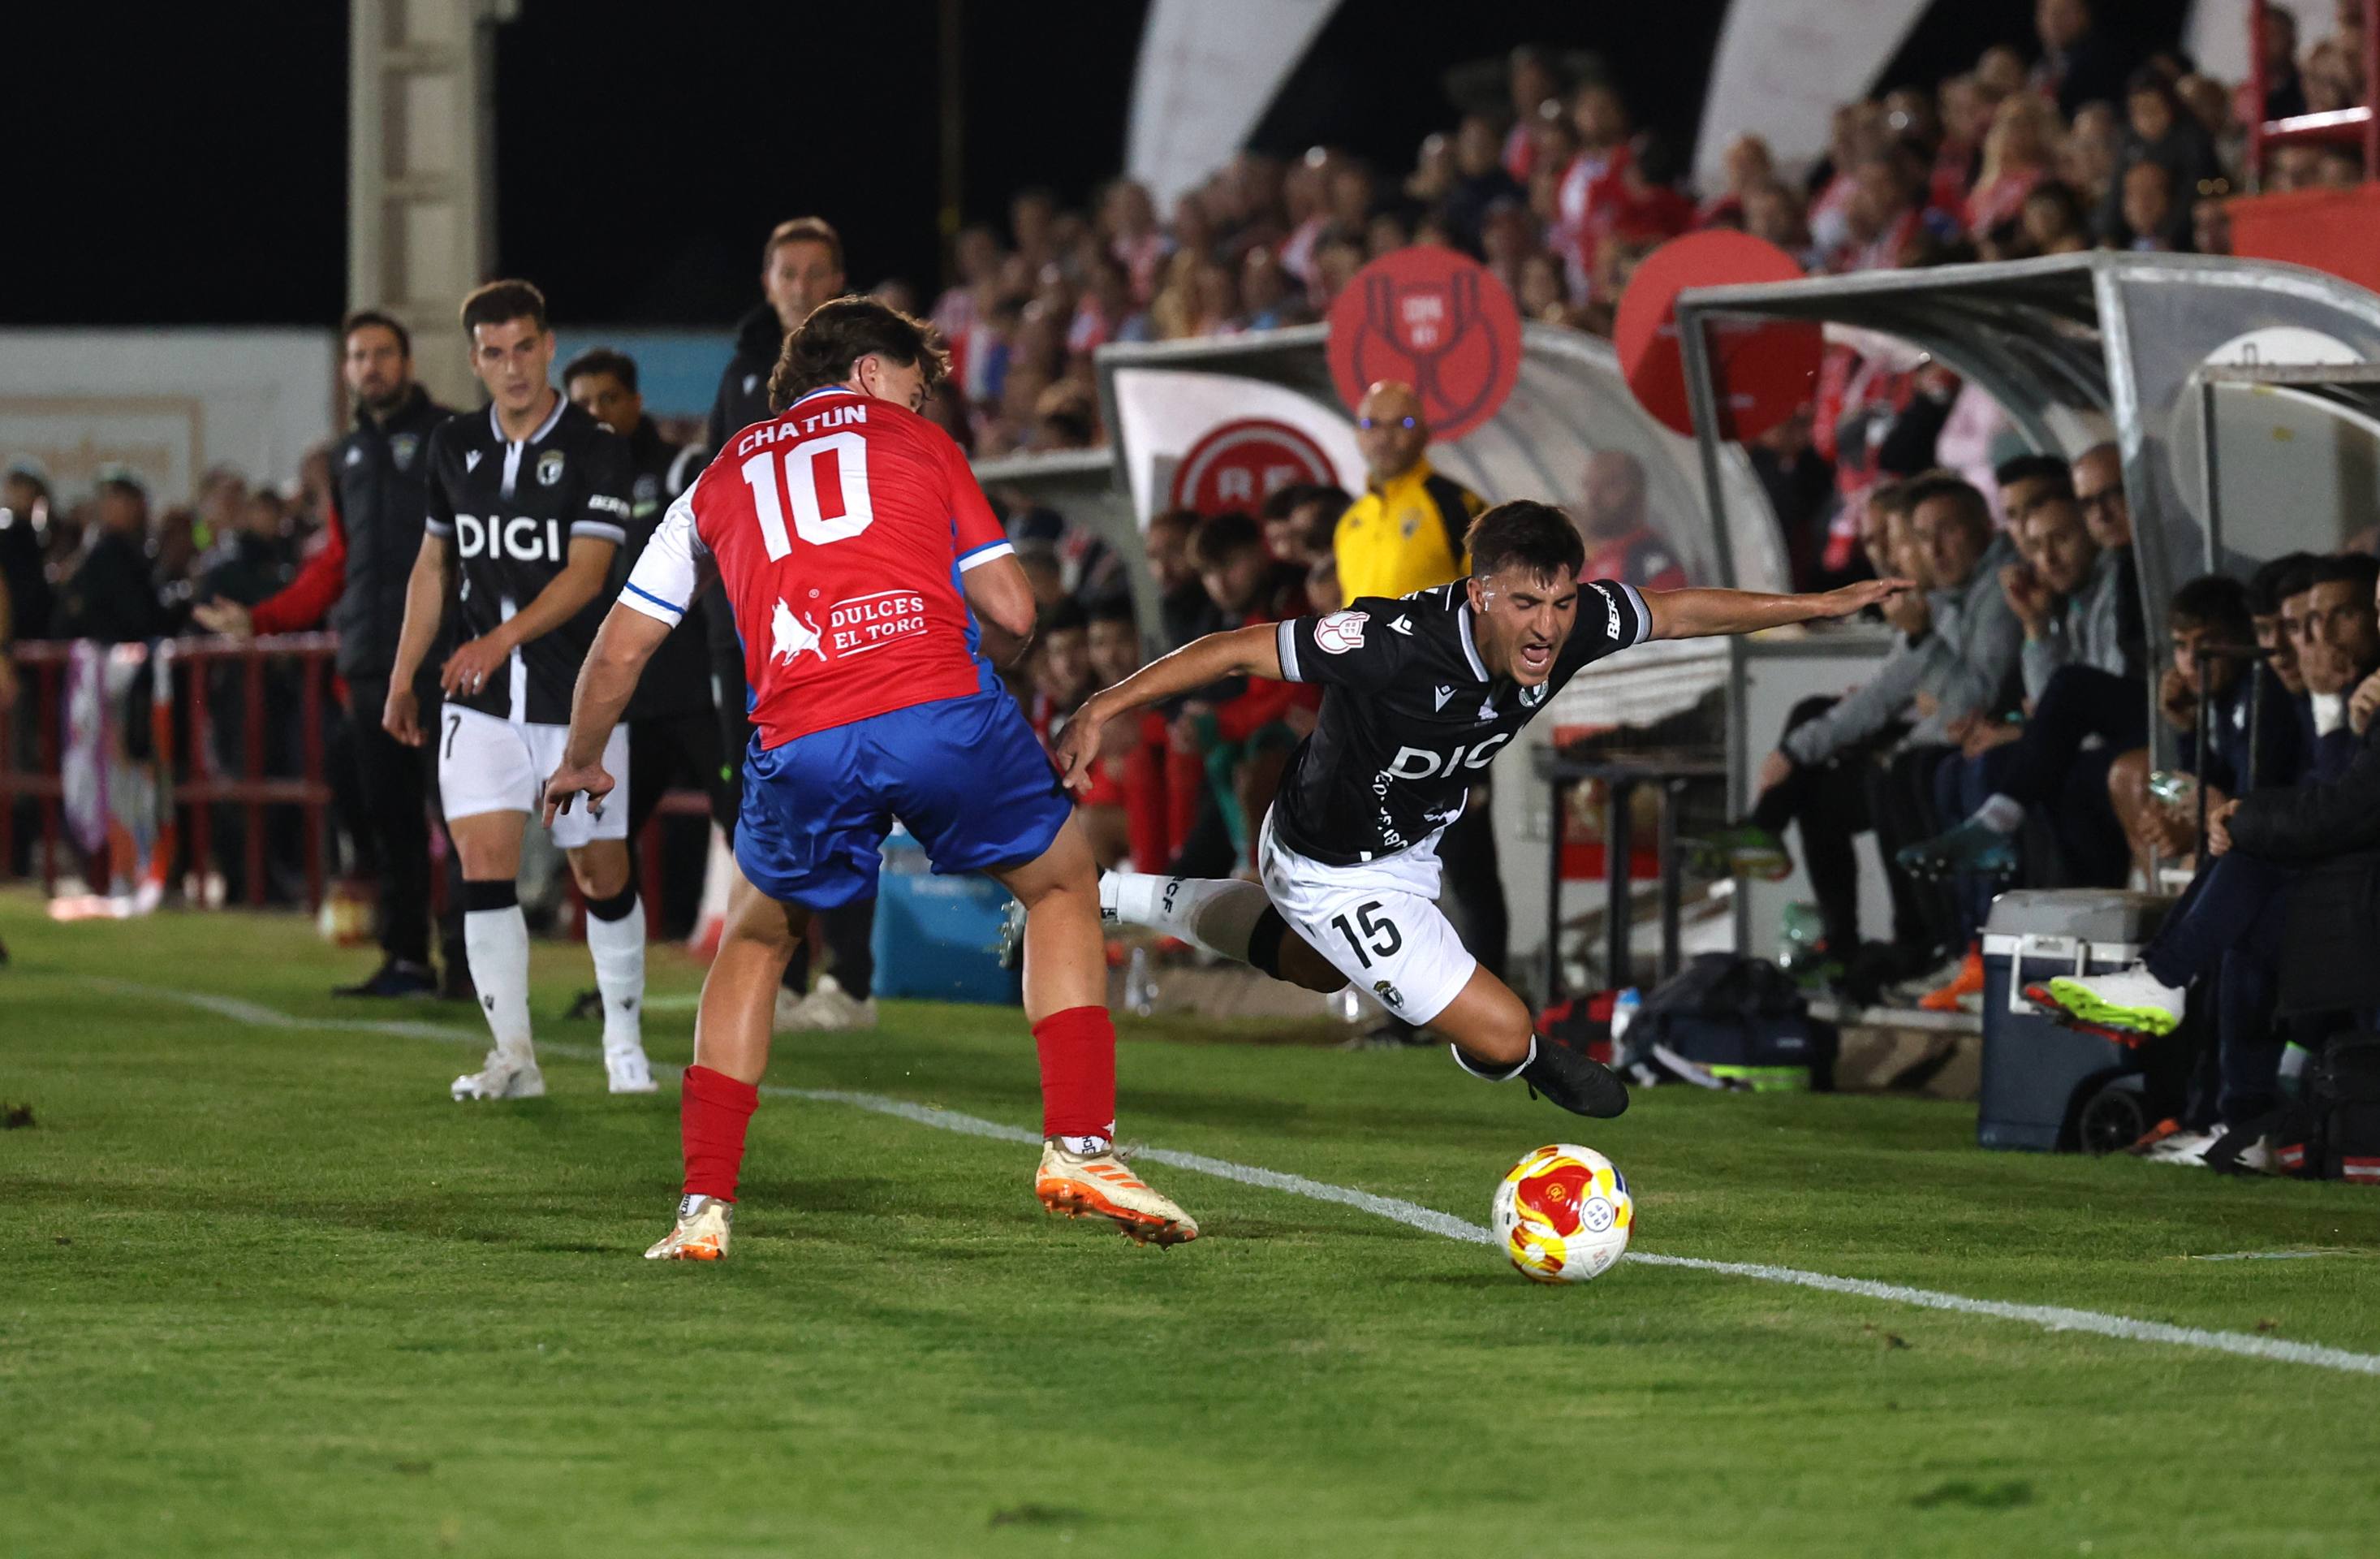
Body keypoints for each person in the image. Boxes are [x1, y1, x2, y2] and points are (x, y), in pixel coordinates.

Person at [545, 296, 1198, 1260]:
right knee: (1061, 882)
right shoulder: (915, 444)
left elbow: (618, 651)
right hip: (938, 708)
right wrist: (1000, 663)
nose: (921, 401)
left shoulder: (715, 476)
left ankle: (703, 1209)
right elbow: (1012, 608)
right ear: (863, 375)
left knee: (759, 940)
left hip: (802, 734)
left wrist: (581, 756)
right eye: (913, 382)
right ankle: (1079, 1146)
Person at [1054, 501, 1908, 1113]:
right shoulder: (1391, 644)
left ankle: (1117, 895)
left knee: (1314, 968)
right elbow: (1235, 649)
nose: (1547, 627)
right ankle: (1524, 1059)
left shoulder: (1577, 626)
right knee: (1503, 1038)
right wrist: (1102, 706)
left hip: (1408, 848)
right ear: (1478, 595)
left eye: (1563, 602)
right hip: (1328, 860)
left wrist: (1817, 605)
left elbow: (1681, 612)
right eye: (1526, 603)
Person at [383, 279, 654, 1101]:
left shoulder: (598, 446)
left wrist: (498, 638)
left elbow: (589, 574)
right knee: (483, 866)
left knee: (601, 871)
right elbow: (434, 564)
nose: (512, 367)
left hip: (579, 697)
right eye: (494, 353)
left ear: (548, 346)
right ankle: (515, 1057)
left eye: (525, 348)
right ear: (474, 361)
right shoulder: (451, 445)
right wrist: (404, 675)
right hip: (481, 704)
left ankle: (623, 1039)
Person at [195, 310, 467, 999]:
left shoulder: (451, 436)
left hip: (446, 659)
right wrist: (261, 619)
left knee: (465, 817)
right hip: (372, 663)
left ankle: (473, 967)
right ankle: (408, 959)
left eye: (382, 353)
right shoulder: (348, 456)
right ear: (346, 370)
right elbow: (337, 563)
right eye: (358, 356)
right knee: (391, 818)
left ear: (406, 363)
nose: (370, 366)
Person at [701, 217, 879, 1033]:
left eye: (817, 273)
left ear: (838, 279)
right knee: (762, 800)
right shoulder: (741, 376)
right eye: (788, 274)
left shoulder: (868, 372)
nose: (801, 288)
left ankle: (850, 980)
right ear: (767, 283)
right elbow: (713, 508)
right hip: (751, 630)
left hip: (837, 625)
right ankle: (798, 975)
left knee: (840, 793)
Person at [560, 347, 722, 1017]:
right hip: (630, 701)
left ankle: (792, 978)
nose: (596, 415)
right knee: (606, 840)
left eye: (607, 400)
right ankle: (614, 986)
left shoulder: (684, 470)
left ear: (635, 402)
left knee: (750, 831)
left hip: (698, 695)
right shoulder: (572, 482)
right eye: (584, 404)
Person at [1331, 381, 1485, 602]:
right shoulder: (1350, 521)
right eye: (1371, 424)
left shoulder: (1458, 505)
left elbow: (1494, 597)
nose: (1385, 438)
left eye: (1403, 423)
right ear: (1357, 433)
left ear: (1424, 432)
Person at [1572, 450, 1686, 589]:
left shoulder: (1652, 565)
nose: (1592, 497)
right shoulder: (1586, 562)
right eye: (1587, 485)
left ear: (1637, 494)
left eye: (1609, 485)